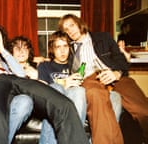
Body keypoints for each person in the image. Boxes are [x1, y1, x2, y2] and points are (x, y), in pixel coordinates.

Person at [59, 14, 148, 144]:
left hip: (115, 76)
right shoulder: (70, 50)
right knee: (97, 99)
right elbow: (58, 62)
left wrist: (117, 73)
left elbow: (121, 60)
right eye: (66, 29)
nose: (70, 31)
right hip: (90, 79)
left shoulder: (103, 38)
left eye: (72, 25)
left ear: (79, 23)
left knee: (143, 111)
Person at [37, 30, 122, 144]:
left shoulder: (77, 66)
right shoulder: (45, 65)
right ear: (52, 49)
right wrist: (65, 83)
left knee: (114, 97)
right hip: (61, 101)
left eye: (65, 46)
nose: (62, 50)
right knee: (77, 91)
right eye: (58, 47)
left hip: (83, 101)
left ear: (70, 47)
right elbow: (42, 90)